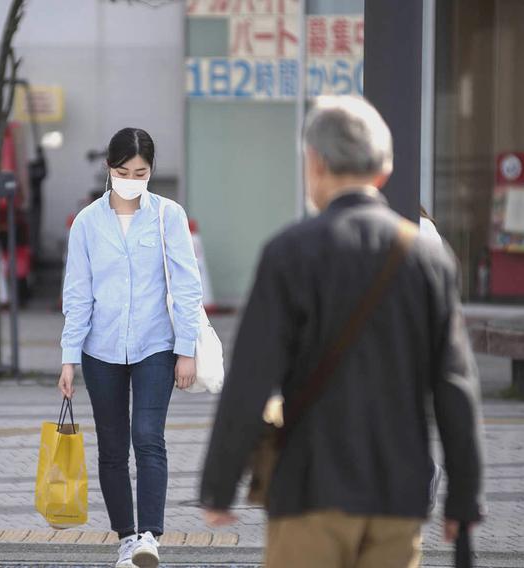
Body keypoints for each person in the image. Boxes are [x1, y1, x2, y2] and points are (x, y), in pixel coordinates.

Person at [199, 96, 484, 568]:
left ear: (316, 163)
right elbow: (456, 387)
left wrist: (220, 486)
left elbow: (250, 379)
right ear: (384, 169)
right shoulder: (428, 259)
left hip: (309, 490)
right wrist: (464, 499)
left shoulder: (289, 253)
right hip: (397, 496)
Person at [59, 127, 202, 568]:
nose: (131, 179)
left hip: (155, 345)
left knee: (148, 437)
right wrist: (68, 358)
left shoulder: (168, 216)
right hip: (99, 350)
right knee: (112, 447)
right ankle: (125, 538)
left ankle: (149, 537)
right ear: (109, 169)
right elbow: (77, 294)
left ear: (151, 171)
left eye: (140, 172)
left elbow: (187, 285)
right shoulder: (87, 222)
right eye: (123, 171)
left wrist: (187, 348)